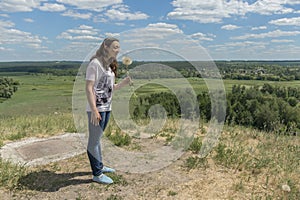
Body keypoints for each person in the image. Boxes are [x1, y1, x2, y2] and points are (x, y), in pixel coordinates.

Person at [85, 37, 130, 184]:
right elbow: (89, 87)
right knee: (93, 142)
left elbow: (109, 89)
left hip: (106, 108)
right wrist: (94, 110)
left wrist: (123, 83)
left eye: (119, 47)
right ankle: (97, 174)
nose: (118, 50)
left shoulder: (110, 66)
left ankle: (100, 166)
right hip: (97, 109)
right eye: (115, 47)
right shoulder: (95, 64)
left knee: (98, 140)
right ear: (106, 46)